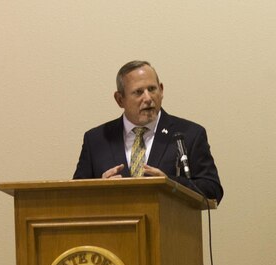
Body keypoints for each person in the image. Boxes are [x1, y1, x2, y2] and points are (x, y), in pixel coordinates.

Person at [73, 60, 223, 203]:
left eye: (152, 89)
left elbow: (213, 191)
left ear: (162, 90)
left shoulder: (189, 134)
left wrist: (170, 185)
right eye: (138, 92)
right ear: (120, 99)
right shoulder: (96, 140)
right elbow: (74, 199)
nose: (148, 98)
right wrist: (99, 190)